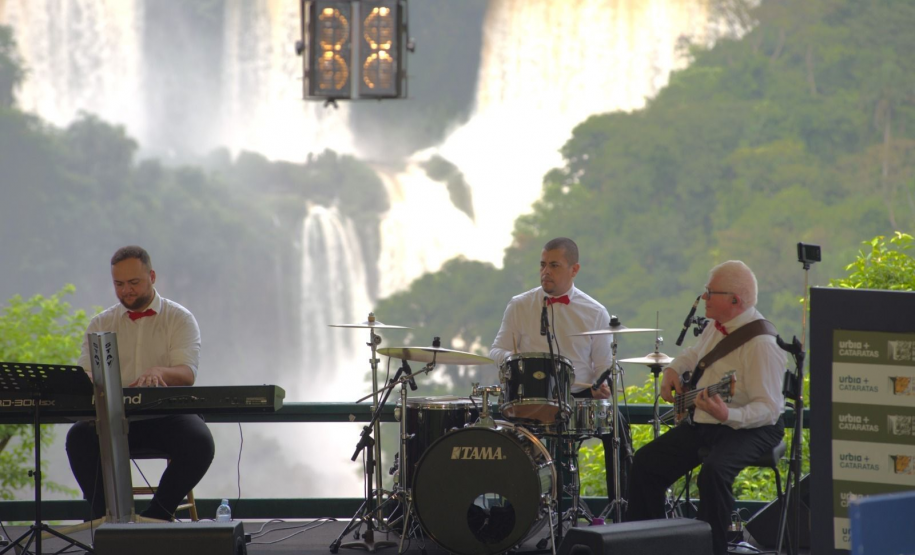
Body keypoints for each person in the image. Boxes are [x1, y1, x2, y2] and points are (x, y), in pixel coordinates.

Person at [626, 260, 786, 555]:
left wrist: (730, 415)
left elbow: (769, 409)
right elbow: (693, 354)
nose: (704, 298)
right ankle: (645, 547)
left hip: (754, 427)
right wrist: (674, 369)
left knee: (713, 473)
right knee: (646, 464)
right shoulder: (716, 326)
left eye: (711, 293)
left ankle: (711, 550)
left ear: (735, 301)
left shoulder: (762, 344)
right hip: (709, 419)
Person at [66, 246, 215, 521]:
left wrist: (160, 372)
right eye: (119, 284)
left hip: (167, 416)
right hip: (113, 418)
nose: (126, 291)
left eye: (134, 282)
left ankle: (157, 515)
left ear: (152, 277)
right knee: (78, 437)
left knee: (200, 442)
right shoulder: (101, 322)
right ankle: (104, 521)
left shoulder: (179, 318)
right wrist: (89, 378)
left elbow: (187, 374)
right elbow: (85, 372)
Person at [490, 237, 631, 514]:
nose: (546, 272)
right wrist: (513, 360)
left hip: (579, 396)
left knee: (619, 426)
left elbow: (603, 365)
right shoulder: (520, 305)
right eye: (543, 265)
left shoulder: (595, 311)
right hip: (529, 396)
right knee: (499, 433)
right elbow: (497, 349)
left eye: (554, 265)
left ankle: (622, 510)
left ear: (574, 269)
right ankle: (512, 512)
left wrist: (601, 386)